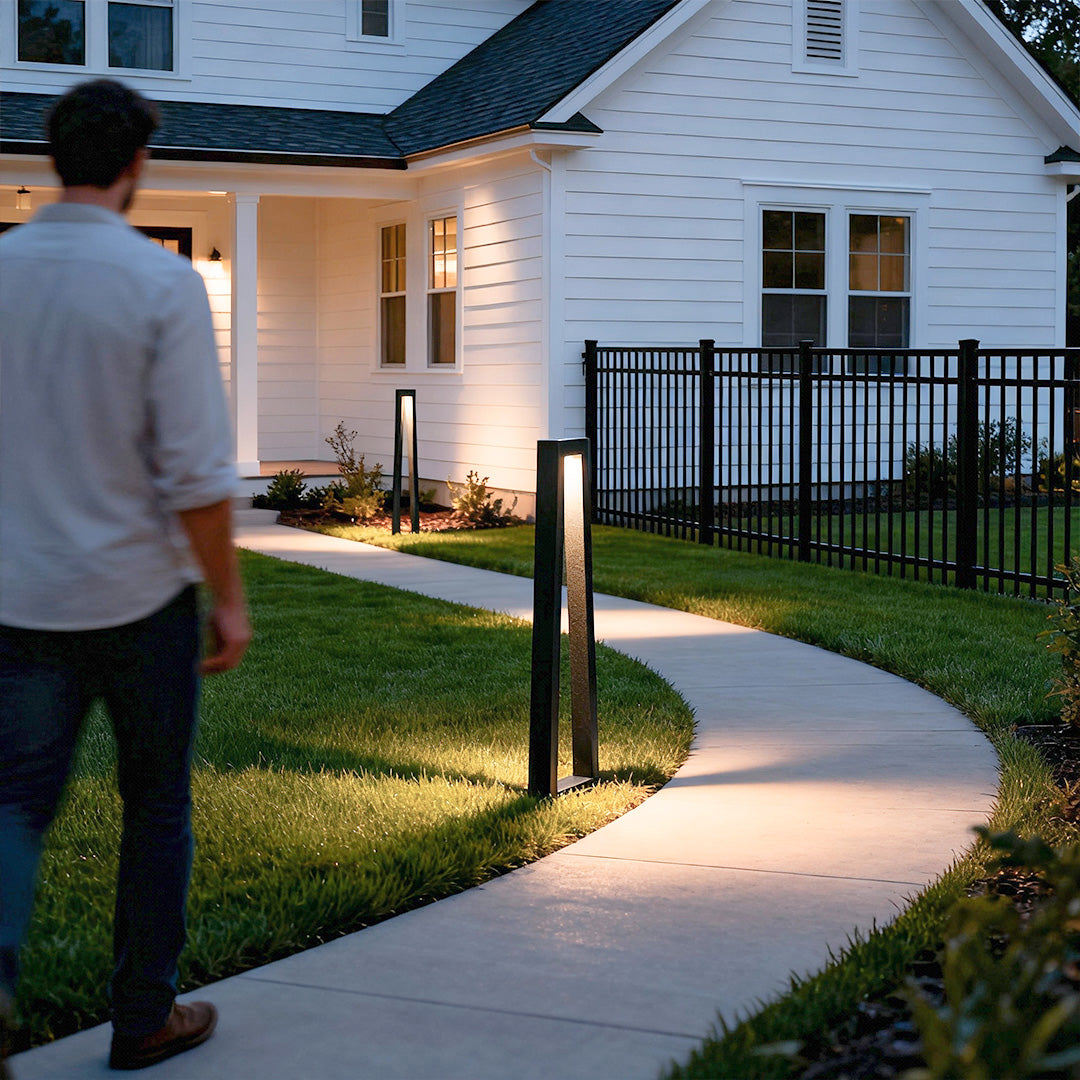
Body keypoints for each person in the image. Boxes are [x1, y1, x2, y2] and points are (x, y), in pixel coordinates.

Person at [0, 79, 251, 1073]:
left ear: (53, 157)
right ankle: (144, 1015)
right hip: (143, 600)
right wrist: (227, 597)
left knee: (14, 807)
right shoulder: (160, 283)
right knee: (154, 806)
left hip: (18, 596)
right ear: (138, 163)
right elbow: (195, 472)